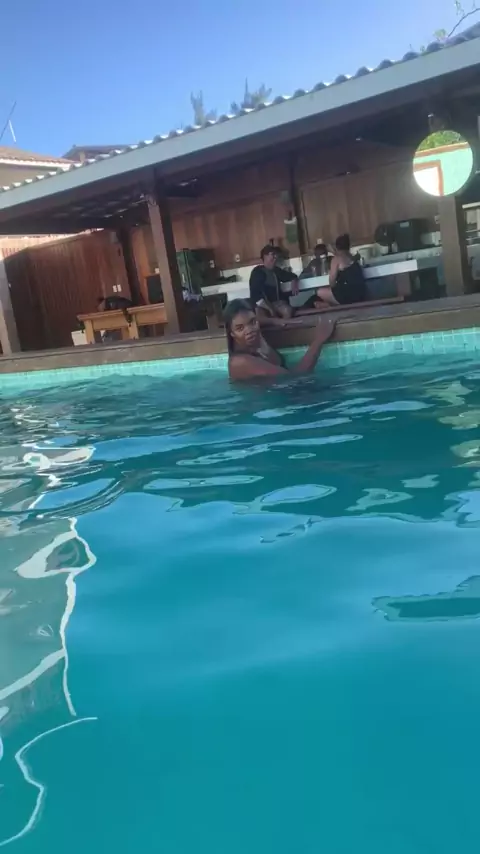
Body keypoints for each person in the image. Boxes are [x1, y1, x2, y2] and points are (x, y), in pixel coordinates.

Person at [225, 298, 336, 380]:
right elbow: (295, 377)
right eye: (240, 328)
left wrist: (276, 321)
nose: (249, 330)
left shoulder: (257, 342)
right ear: (232, 334)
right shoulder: (240, 362)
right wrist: (319, 340)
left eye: (252, 322)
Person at [249, 245, 299, 322]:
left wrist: (294, 282)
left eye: (276, 255)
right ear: (265, 256)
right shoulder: (257, 272)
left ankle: (284, 326)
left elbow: (292, 276)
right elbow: (256, 296)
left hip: (276, 304)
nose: (275, 257)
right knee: (261, 319)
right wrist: (269, 308)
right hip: (262, 305)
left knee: (287, 310)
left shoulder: (276, 271)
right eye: (272, 254)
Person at [315, 234, 366, 307]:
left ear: (336, 246)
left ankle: (331, 306)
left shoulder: (336, 259)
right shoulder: (352, 257)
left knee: (319, 292)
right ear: (349, 245)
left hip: (347, 296)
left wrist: (334, 288)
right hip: (361, 293)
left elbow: (332, 281)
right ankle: (330, 305)